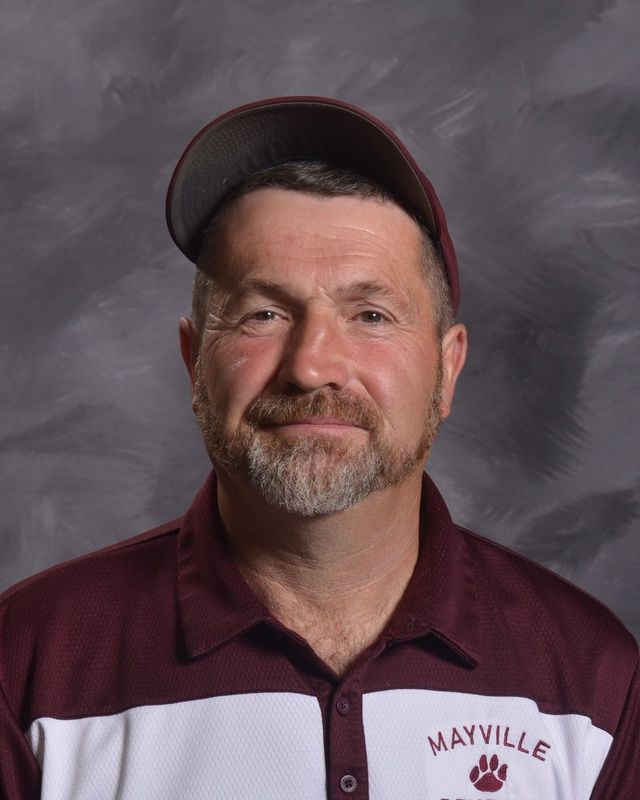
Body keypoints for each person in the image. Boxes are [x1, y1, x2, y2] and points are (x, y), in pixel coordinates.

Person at [0, 97, 637, 800]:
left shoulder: (592, 676)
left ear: (447, 369)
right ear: (193, 362)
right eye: (263, 314)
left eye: (370, 315)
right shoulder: (26, 663)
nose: (311, 365)